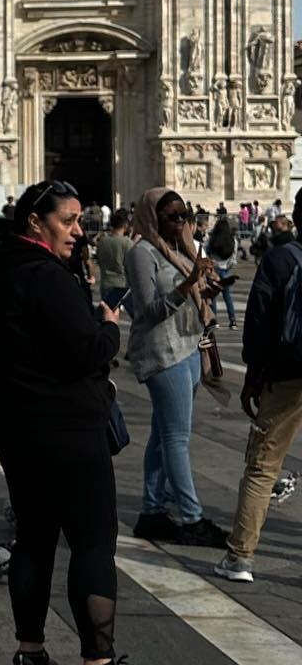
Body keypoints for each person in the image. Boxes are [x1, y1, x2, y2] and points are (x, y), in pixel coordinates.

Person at [0, 181, 165, 665]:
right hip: (65, 427)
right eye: (68, 221)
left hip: (16, 424)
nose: (78, 231)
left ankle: (30, 657)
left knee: (34, 539)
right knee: (93, 542)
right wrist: (109, 328)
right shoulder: (46, 276)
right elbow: (85, 352)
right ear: (35, 221)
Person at [124, 188, 230, 547]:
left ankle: (152, 512)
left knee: (162, 435)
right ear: (152, 217)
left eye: (184, 215)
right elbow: (148, 312)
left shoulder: (181, 249)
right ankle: (191, 516)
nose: (180, 222)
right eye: (172, 216)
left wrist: (206, 289)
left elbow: (187, 298)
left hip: (187, 347)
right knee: (176, 438)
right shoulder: (141, 253)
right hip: (162, 352)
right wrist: (188, 284)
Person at [215, 188, 302, 582]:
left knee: (263, 467)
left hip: (285, 374)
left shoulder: (280, 259)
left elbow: (259, 322)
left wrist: (253, 377)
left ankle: (240, 558)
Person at [204, 208, 240, 328]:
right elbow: (233, 260)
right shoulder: (233, 241)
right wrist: (227, 267)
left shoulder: (211, 240)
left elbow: (206, 253)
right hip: (226, 270)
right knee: (227, 296)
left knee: (213, 296)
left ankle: (214, 320)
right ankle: (233, 320)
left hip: (213, 270)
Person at [94, 210, 132, 315]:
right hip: (122, 284)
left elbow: (99, 259)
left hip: (105, 283)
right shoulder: (127, 243)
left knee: (107, 315)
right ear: (125, 224)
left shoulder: (103, 241)